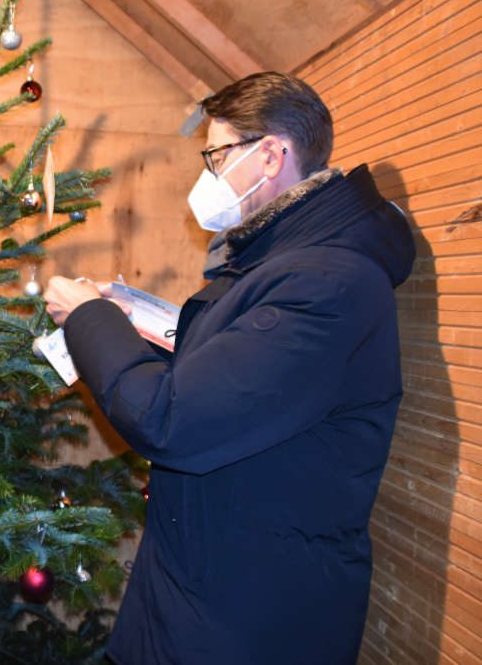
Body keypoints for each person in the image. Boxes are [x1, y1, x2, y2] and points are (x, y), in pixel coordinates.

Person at [43, 72, 414, 664]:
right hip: (200, 591)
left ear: (270, 155)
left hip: (248, 620)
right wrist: (126, 319)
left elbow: (173, 421)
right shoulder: (276, 263)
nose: (207, 175)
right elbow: (230, 385)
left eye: (216, 155)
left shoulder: (327, 282)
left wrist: (89, 318)